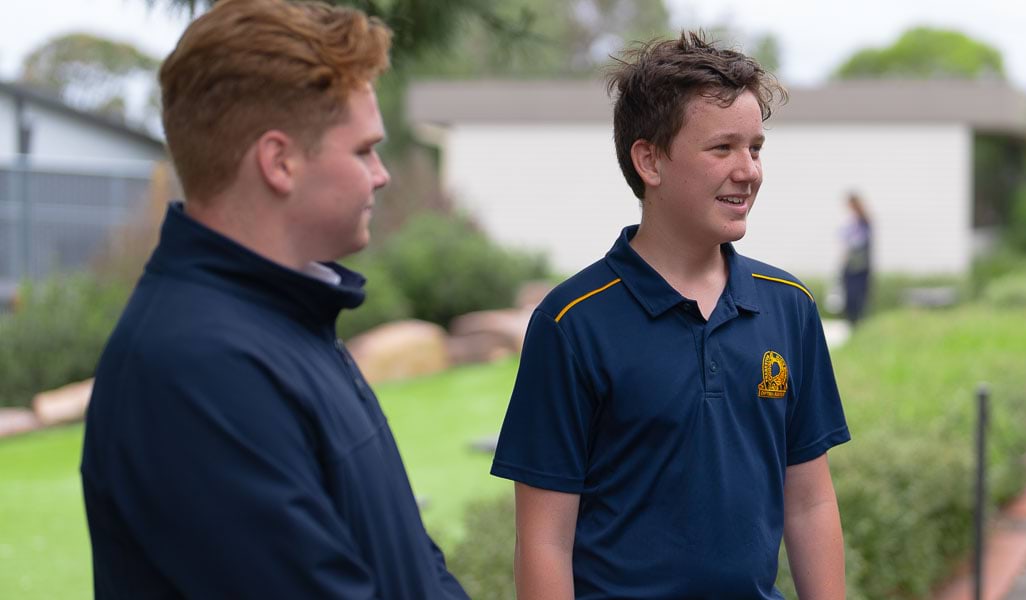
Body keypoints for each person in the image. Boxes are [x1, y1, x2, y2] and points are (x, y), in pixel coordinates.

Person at [79, 1, 467, 597]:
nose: (382, 174)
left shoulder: (290, 320)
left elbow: (410, 562)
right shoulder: (196, 370)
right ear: (279, 161)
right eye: (364, 149)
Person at [490, 32, 850, 599]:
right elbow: (543, 541)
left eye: (755, 147)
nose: (748, 170)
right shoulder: (572, 324)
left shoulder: (788, 306)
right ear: (649, 159)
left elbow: (809, 501)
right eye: (722, 148)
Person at [840, 192, 873, 327]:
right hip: (854, 265)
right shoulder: (852, 221)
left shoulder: (862, 222)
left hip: (858, 266)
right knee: (851, 296)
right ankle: (852, 322)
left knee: (856, 296)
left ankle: (856, 322)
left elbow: (858, 242)